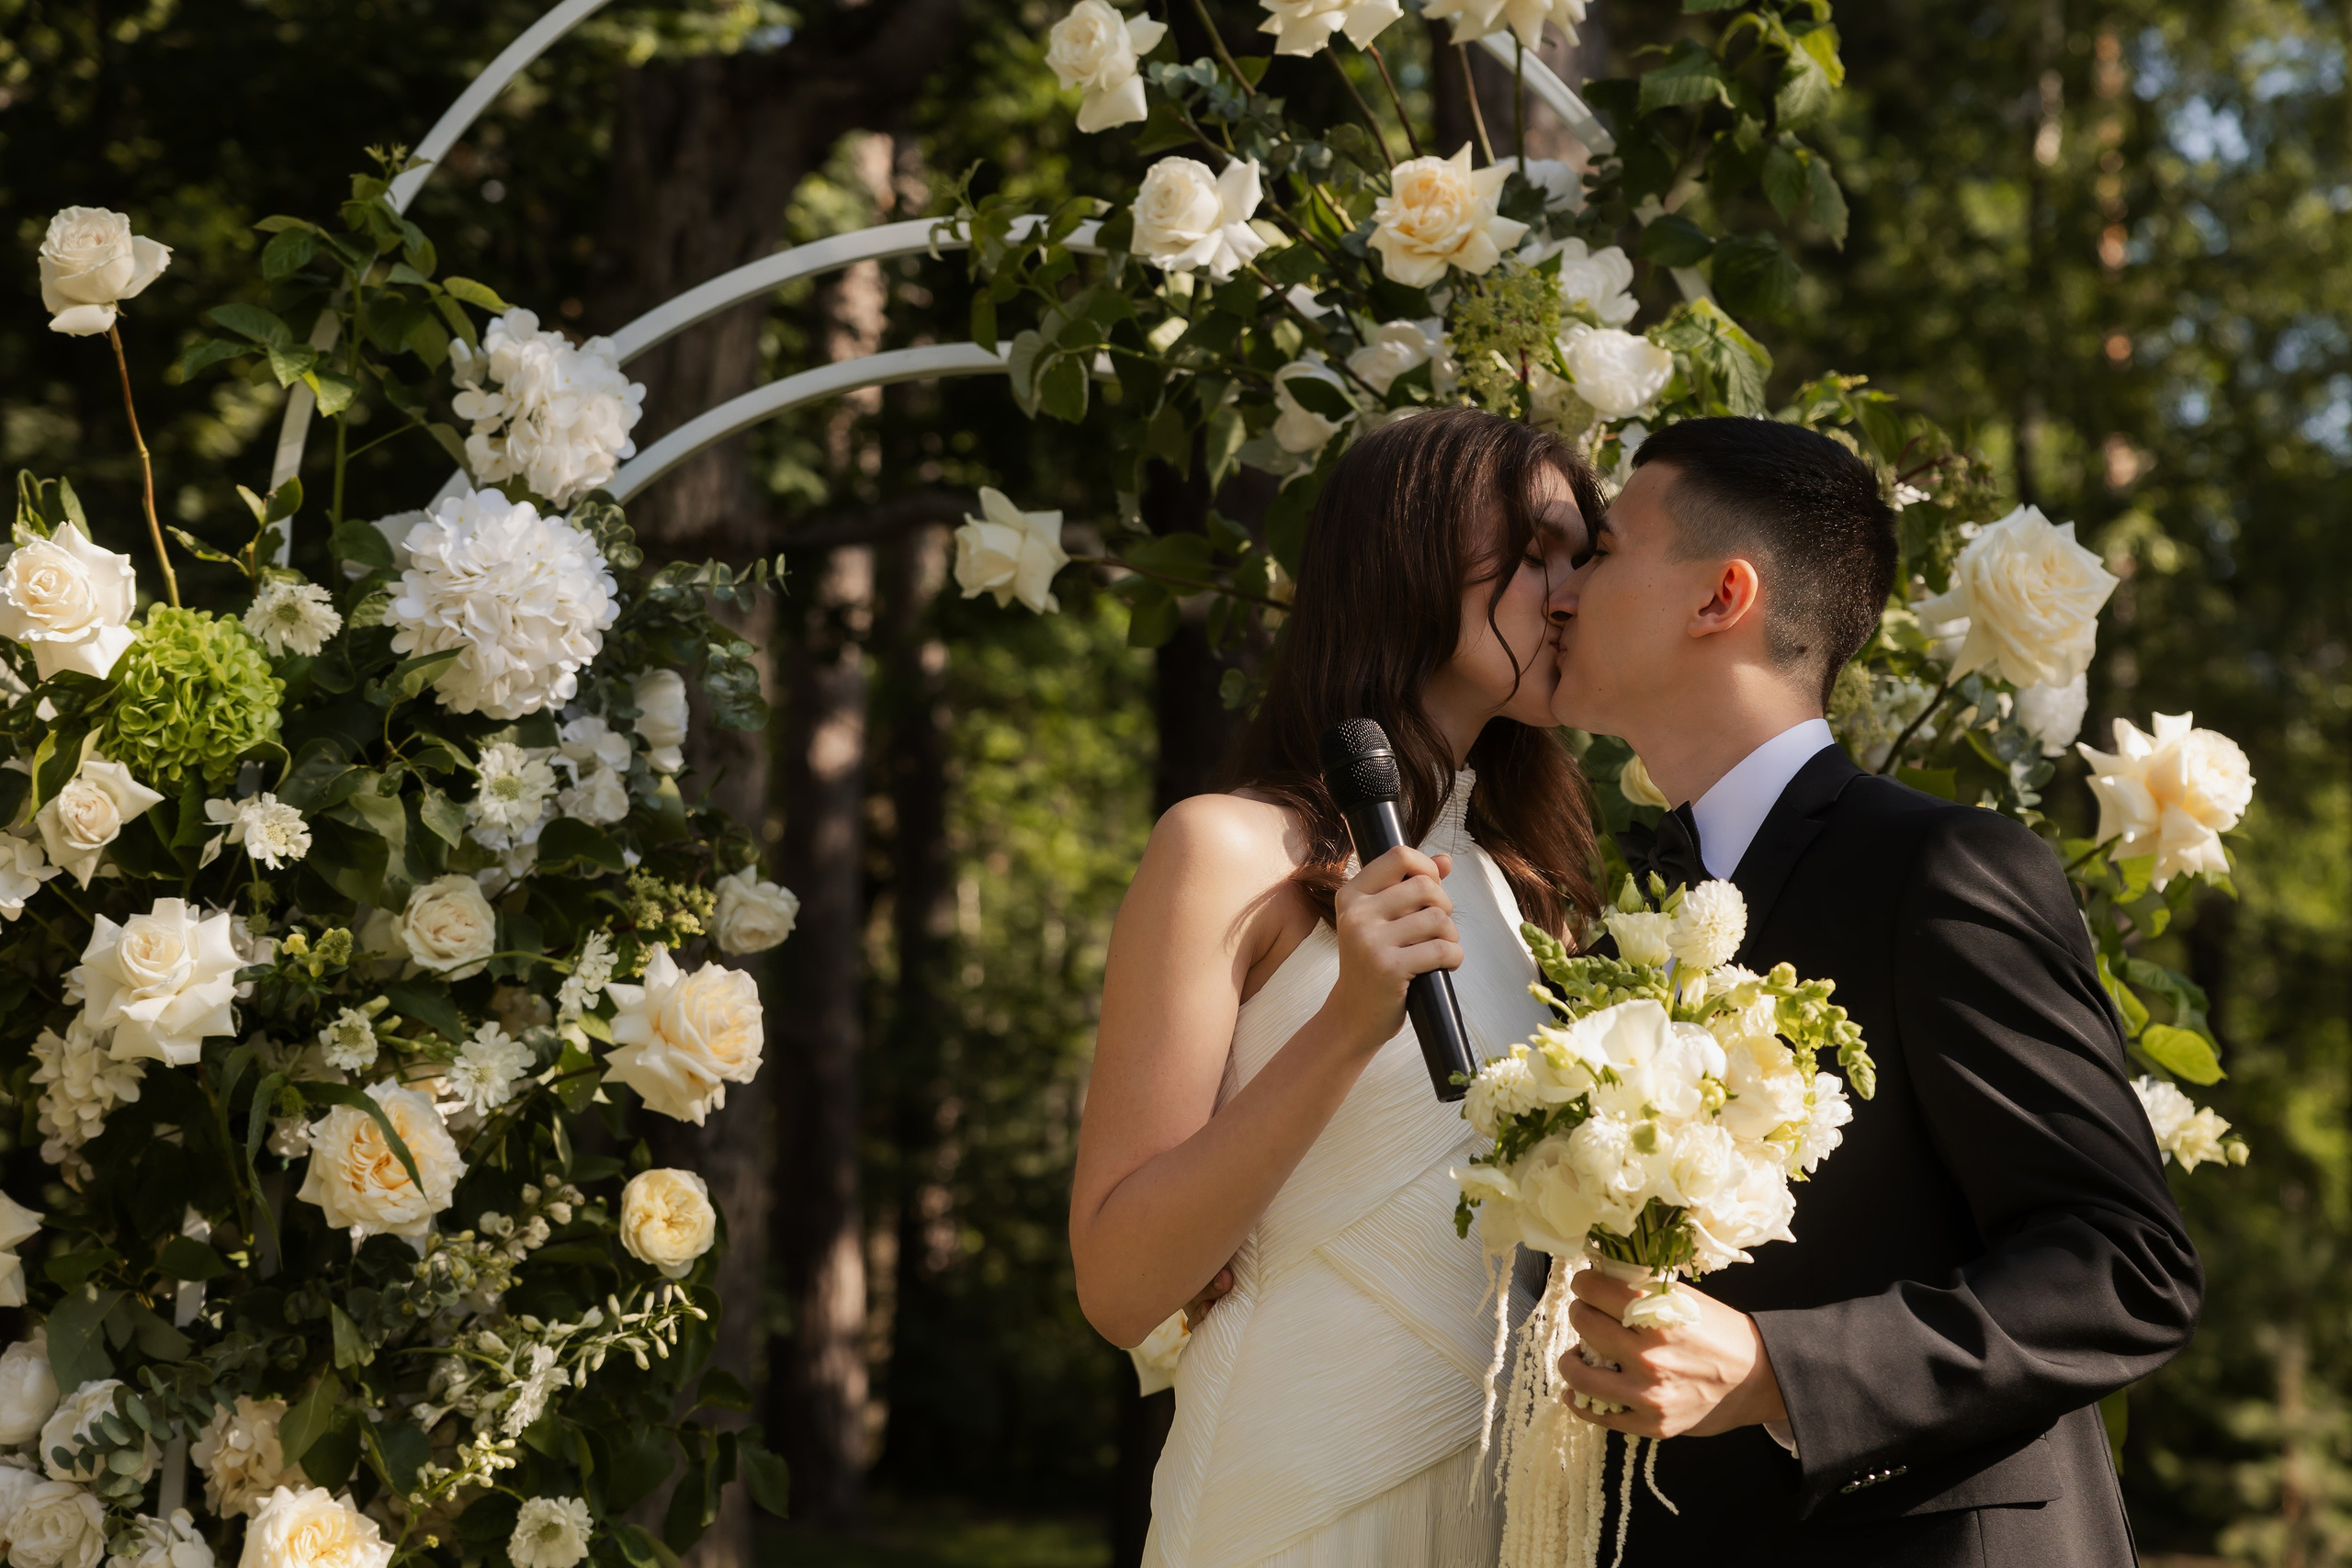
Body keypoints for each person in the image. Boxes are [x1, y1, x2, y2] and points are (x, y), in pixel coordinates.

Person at [1542, 416, 2203, 1565]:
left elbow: (2122, 1265)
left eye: (1598, 550)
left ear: (1718, 598)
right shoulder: (1623, 897)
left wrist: (1776, 1373)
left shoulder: (1940, 870)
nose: (1561, 589)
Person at [1071, 408, 1604, 1567]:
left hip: (1503, 1491)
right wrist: (1347, 1026)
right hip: (1296, 1491)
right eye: (1538, 553)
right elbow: (1118, 1286)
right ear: (1408, 560)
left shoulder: (1538, 891)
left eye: (1584, 557)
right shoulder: (1221, 851)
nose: (1571, 592)